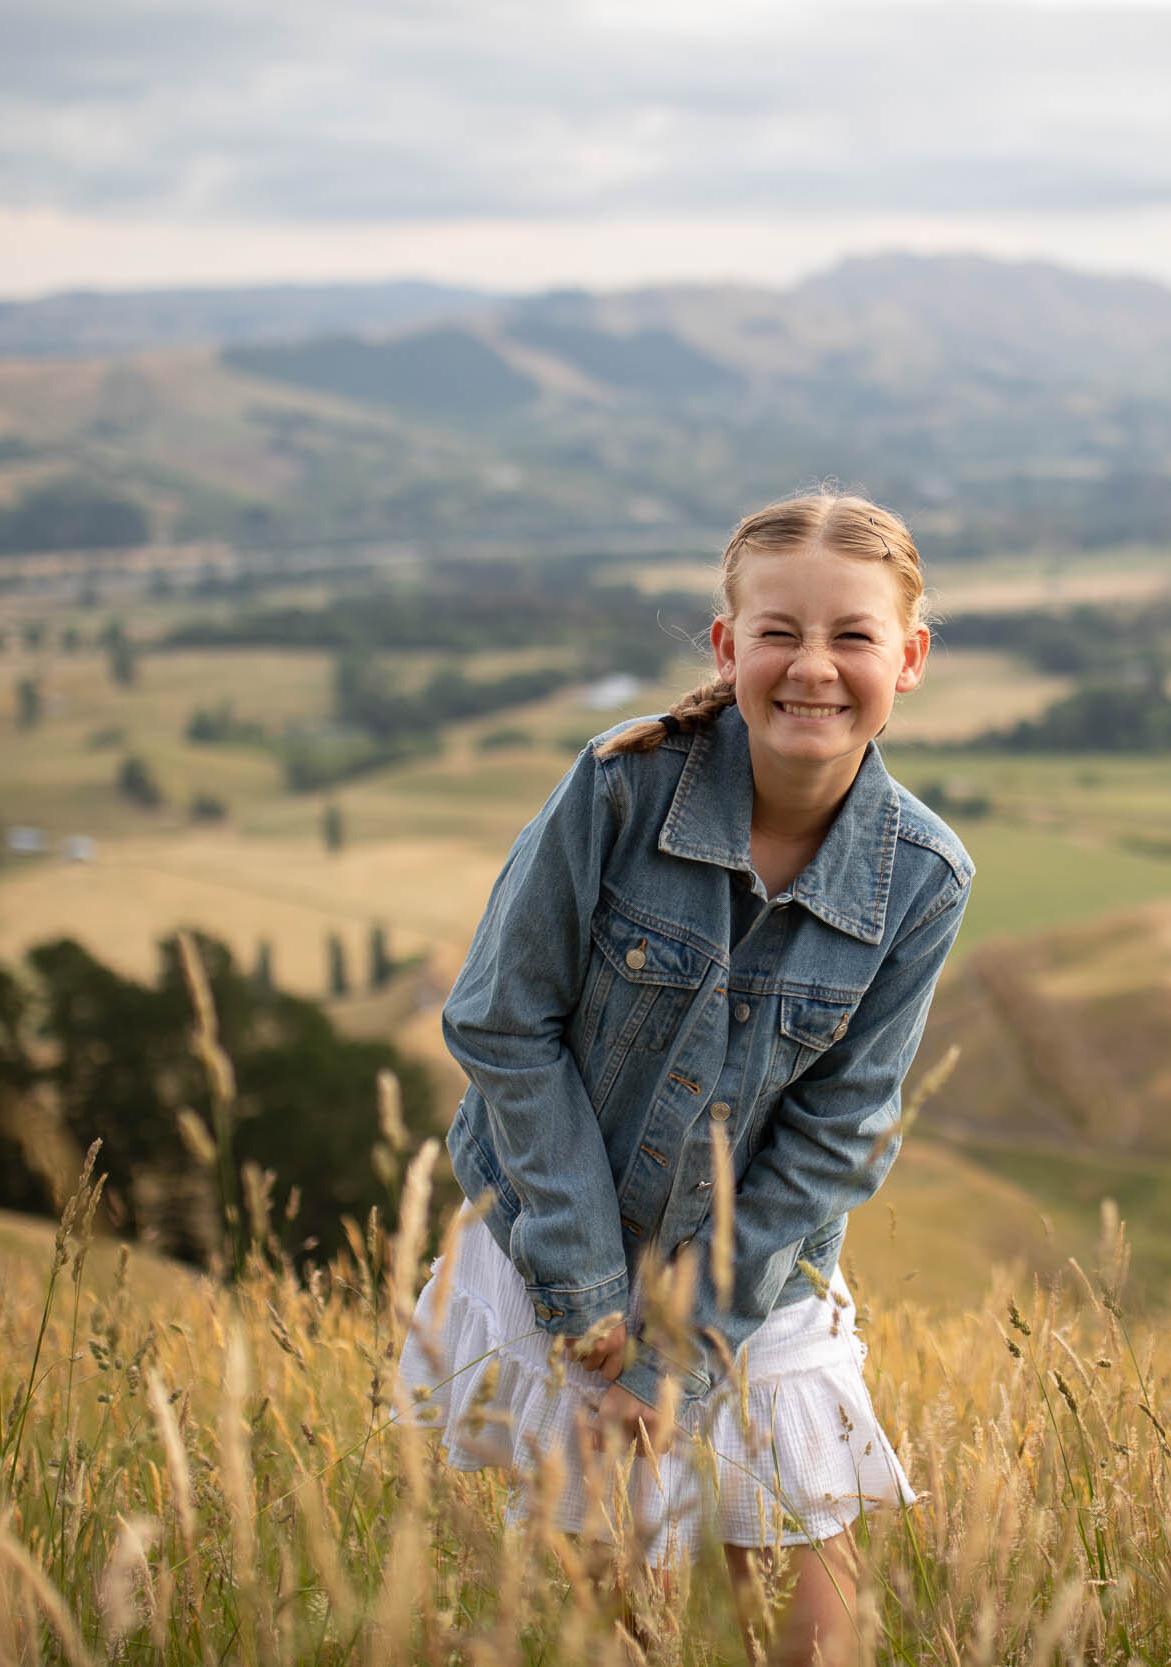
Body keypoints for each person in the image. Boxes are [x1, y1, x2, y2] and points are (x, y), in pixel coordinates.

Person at [400, 490, 971, 1664]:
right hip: (568, 1239)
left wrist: (684, 1353)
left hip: (754, 1271)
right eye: (779, 631)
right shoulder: (618, 788)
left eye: (853, 636)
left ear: (907, 658)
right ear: (727, 645)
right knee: (626, 1613)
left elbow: (837, 1138)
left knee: (811, 1628)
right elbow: (503, 1022)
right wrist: (598, 1314)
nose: (813, 667)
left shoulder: (922, 877)